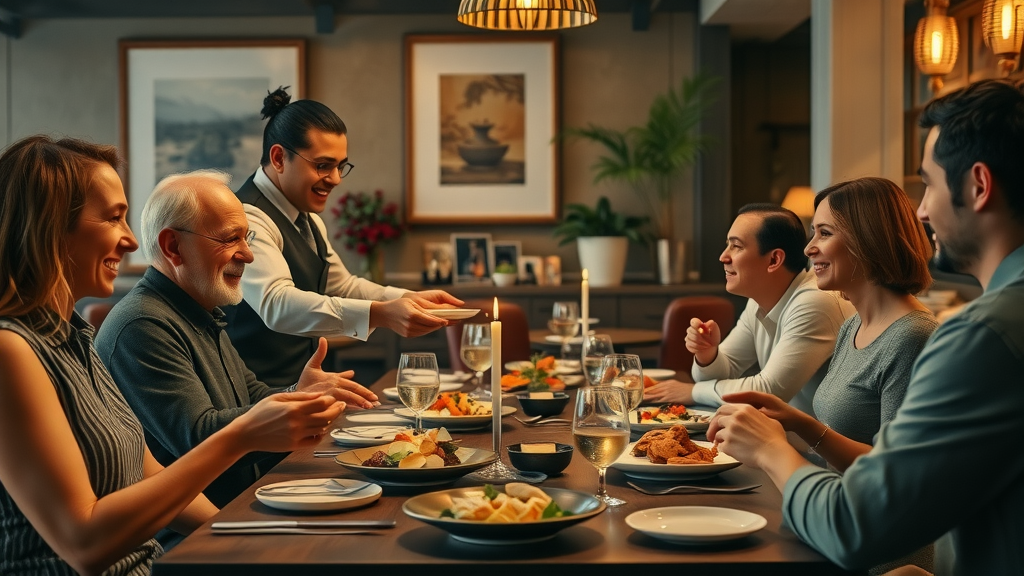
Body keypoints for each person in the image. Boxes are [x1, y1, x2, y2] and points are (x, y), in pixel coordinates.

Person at [708, 79, 1024, 575]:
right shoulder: (856, 325)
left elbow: (858, 524)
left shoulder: (978, 336)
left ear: (978, 186)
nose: (921, 209)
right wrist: (804, 426)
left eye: (930, 184)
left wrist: (772, 450)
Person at [0, 136, 344, 575]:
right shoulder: (13, 349)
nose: (128, 241)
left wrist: (254, 539)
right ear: (51, 229)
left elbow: (150, 474)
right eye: (112, 219)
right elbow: (84, 546)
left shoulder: (76, 337)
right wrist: (241, 436)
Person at [94, 170, 378, 512]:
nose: (248, 254)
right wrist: (296, 405)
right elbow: (199, 439)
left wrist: (298, 394)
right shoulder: (143, 325)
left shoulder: (197, 308)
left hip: (241, 503)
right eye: (230, 239)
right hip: (195, 534)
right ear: (173, 246)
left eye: (248, 238)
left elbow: (251, 395)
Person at [723, 177, 938, 575]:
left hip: (879, 557)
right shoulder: (852, 327)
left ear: (867, 240)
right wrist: (794, 420)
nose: (808, 248)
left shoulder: (913, 337)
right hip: (828, 535)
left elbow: (896, 475)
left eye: (824, 232)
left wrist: (779, 444)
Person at [226, 87, 462, 388]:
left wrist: (407, 299)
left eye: (340, 166)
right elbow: (277, 304)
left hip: (295, 388)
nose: (336, 179)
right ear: (279, 158)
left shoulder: (307, 219)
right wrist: (380, 314)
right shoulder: (248, 217)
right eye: (323, 165)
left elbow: (342, 286)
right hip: (253, 397)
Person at [645, 204, 854, 416]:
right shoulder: (758, 300)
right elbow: (720, 372)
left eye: (736, 246)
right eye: (727, 245)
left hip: (817, 447)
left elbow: (769, 391)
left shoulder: (815, 301)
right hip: (787, 437)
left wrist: (693, 392)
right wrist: (708, 354)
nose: (723, 257)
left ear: (774, 260)